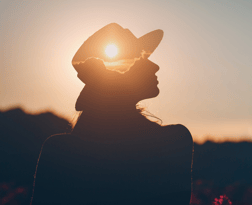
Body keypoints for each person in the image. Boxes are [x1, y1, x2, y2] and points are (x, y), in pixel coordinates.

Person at [31, 53, 193, 204]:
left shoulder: (59, 149)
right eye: (137, 60)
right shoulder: (175, 140)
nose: (154, 66)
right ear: (113, 81)